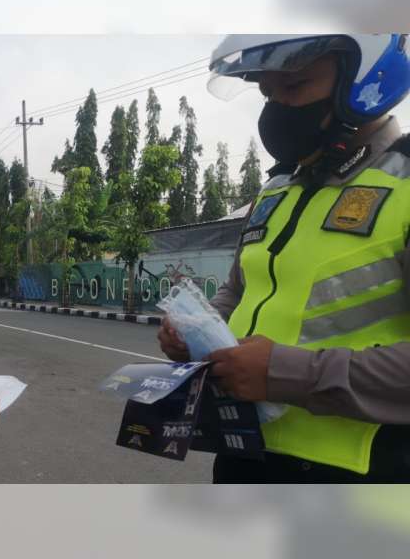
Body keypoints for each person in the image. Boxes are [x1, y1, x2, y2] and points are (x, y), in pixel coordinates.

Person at [159, 34, 410, 483]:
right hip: (246, 453)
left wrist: (286, 374)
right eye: (267, 93)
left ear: (364, 81)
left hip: (363, 473)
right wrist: (197, 331)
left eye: (294, 86)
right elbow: (240, 290)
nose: (275, 111)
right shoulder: (277, 189)